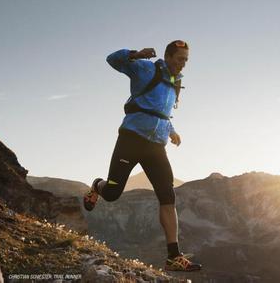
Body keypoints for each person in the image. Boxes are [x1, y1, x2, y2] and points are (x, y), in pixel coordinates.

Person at [83, 40, 201, 272]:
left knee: (168, 197)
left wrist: (172, 131)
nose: (183, 65)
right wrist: (135, 54)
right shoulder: (146, 68)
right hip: (131, 139)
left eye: (186, 60)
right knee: (114, 193)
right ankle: (98, 186)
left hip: (156, 146)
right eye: (180, 59)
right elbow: (112, 59)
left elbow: (162, 114)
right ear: (167, 56)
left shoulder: (175, 82)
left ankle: (173, 257)